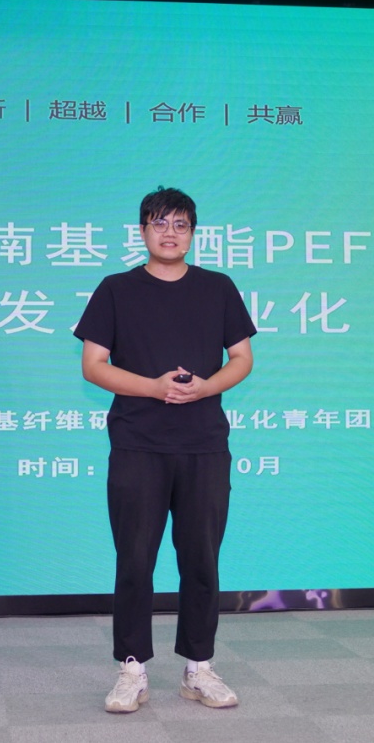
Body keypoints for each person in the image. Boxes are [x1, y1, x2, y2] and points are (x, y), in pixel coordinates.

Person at [73, 186, 256, 713]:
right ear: (142, 231)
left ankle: (198, 669)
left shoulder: (218, 287)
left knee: (201, 560)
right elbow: (93, 366)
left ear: (193, 233)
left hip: (204, 445)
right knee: (135, 559)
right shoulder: (116, 289)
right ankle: (131, 670)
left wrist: (206, 387)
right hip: (138, 443)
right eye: (159, 223)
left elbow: (242, 358)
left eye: (180, 224)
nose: (169, 232)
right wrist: (154, 388)